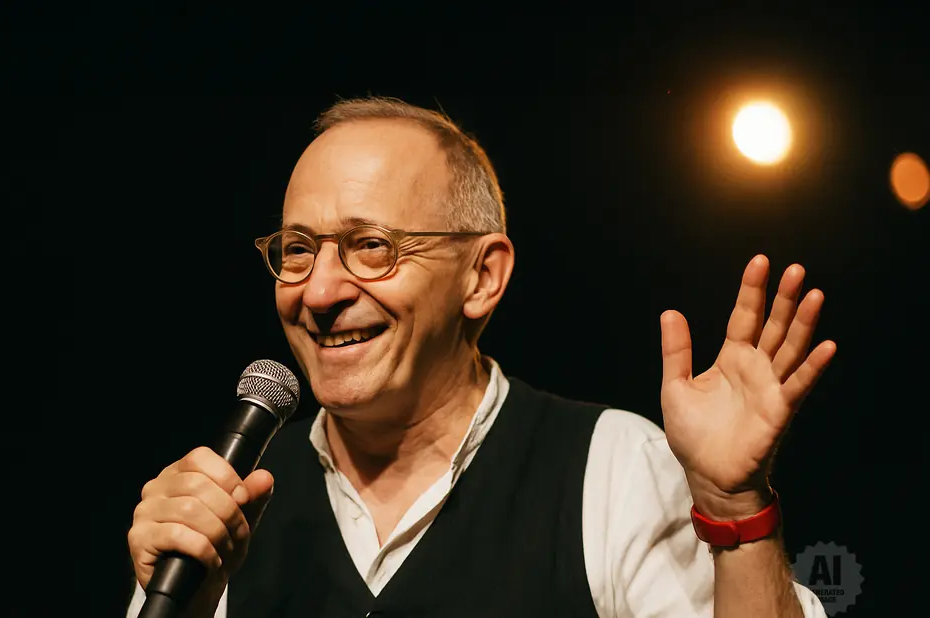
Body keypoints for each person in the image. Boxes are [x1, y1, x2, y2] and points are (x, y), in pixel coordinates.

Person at [126, 96, 836, 617]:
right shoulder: (225, 512)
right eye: (299, 250)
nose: (319, 291)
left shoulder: (607, 467)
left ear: (482, 277)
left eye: (372, 247)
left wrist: (735, 509)